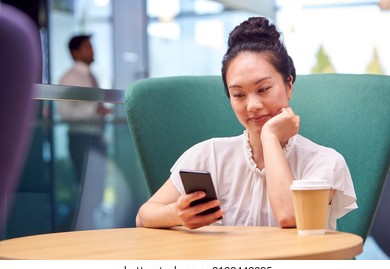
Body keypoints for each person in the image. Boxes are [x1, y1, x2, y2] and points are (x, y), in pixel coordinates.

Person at [135, 17, 357, 230]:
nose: (252, 105)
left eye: (263, 89)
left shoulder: (324, 162)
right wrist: (177, 214)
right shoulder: (209, 155)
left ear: (289, 84)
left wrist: (269, 137)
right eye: (239, 95)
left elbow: (290, 216)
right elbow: (144, 215)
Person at [57, 34, 111, 230]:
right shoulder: (69, 78)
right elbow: (63, 112)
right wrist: (93, 110)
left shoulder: (91, 76)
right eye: (88, 47)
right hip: (80, 139)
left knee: (96, 190)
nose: (93, 50)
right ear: (75, 52)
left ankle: (87, 228)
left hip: (96, 138)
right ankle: (72, 229)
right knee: (86, 190)